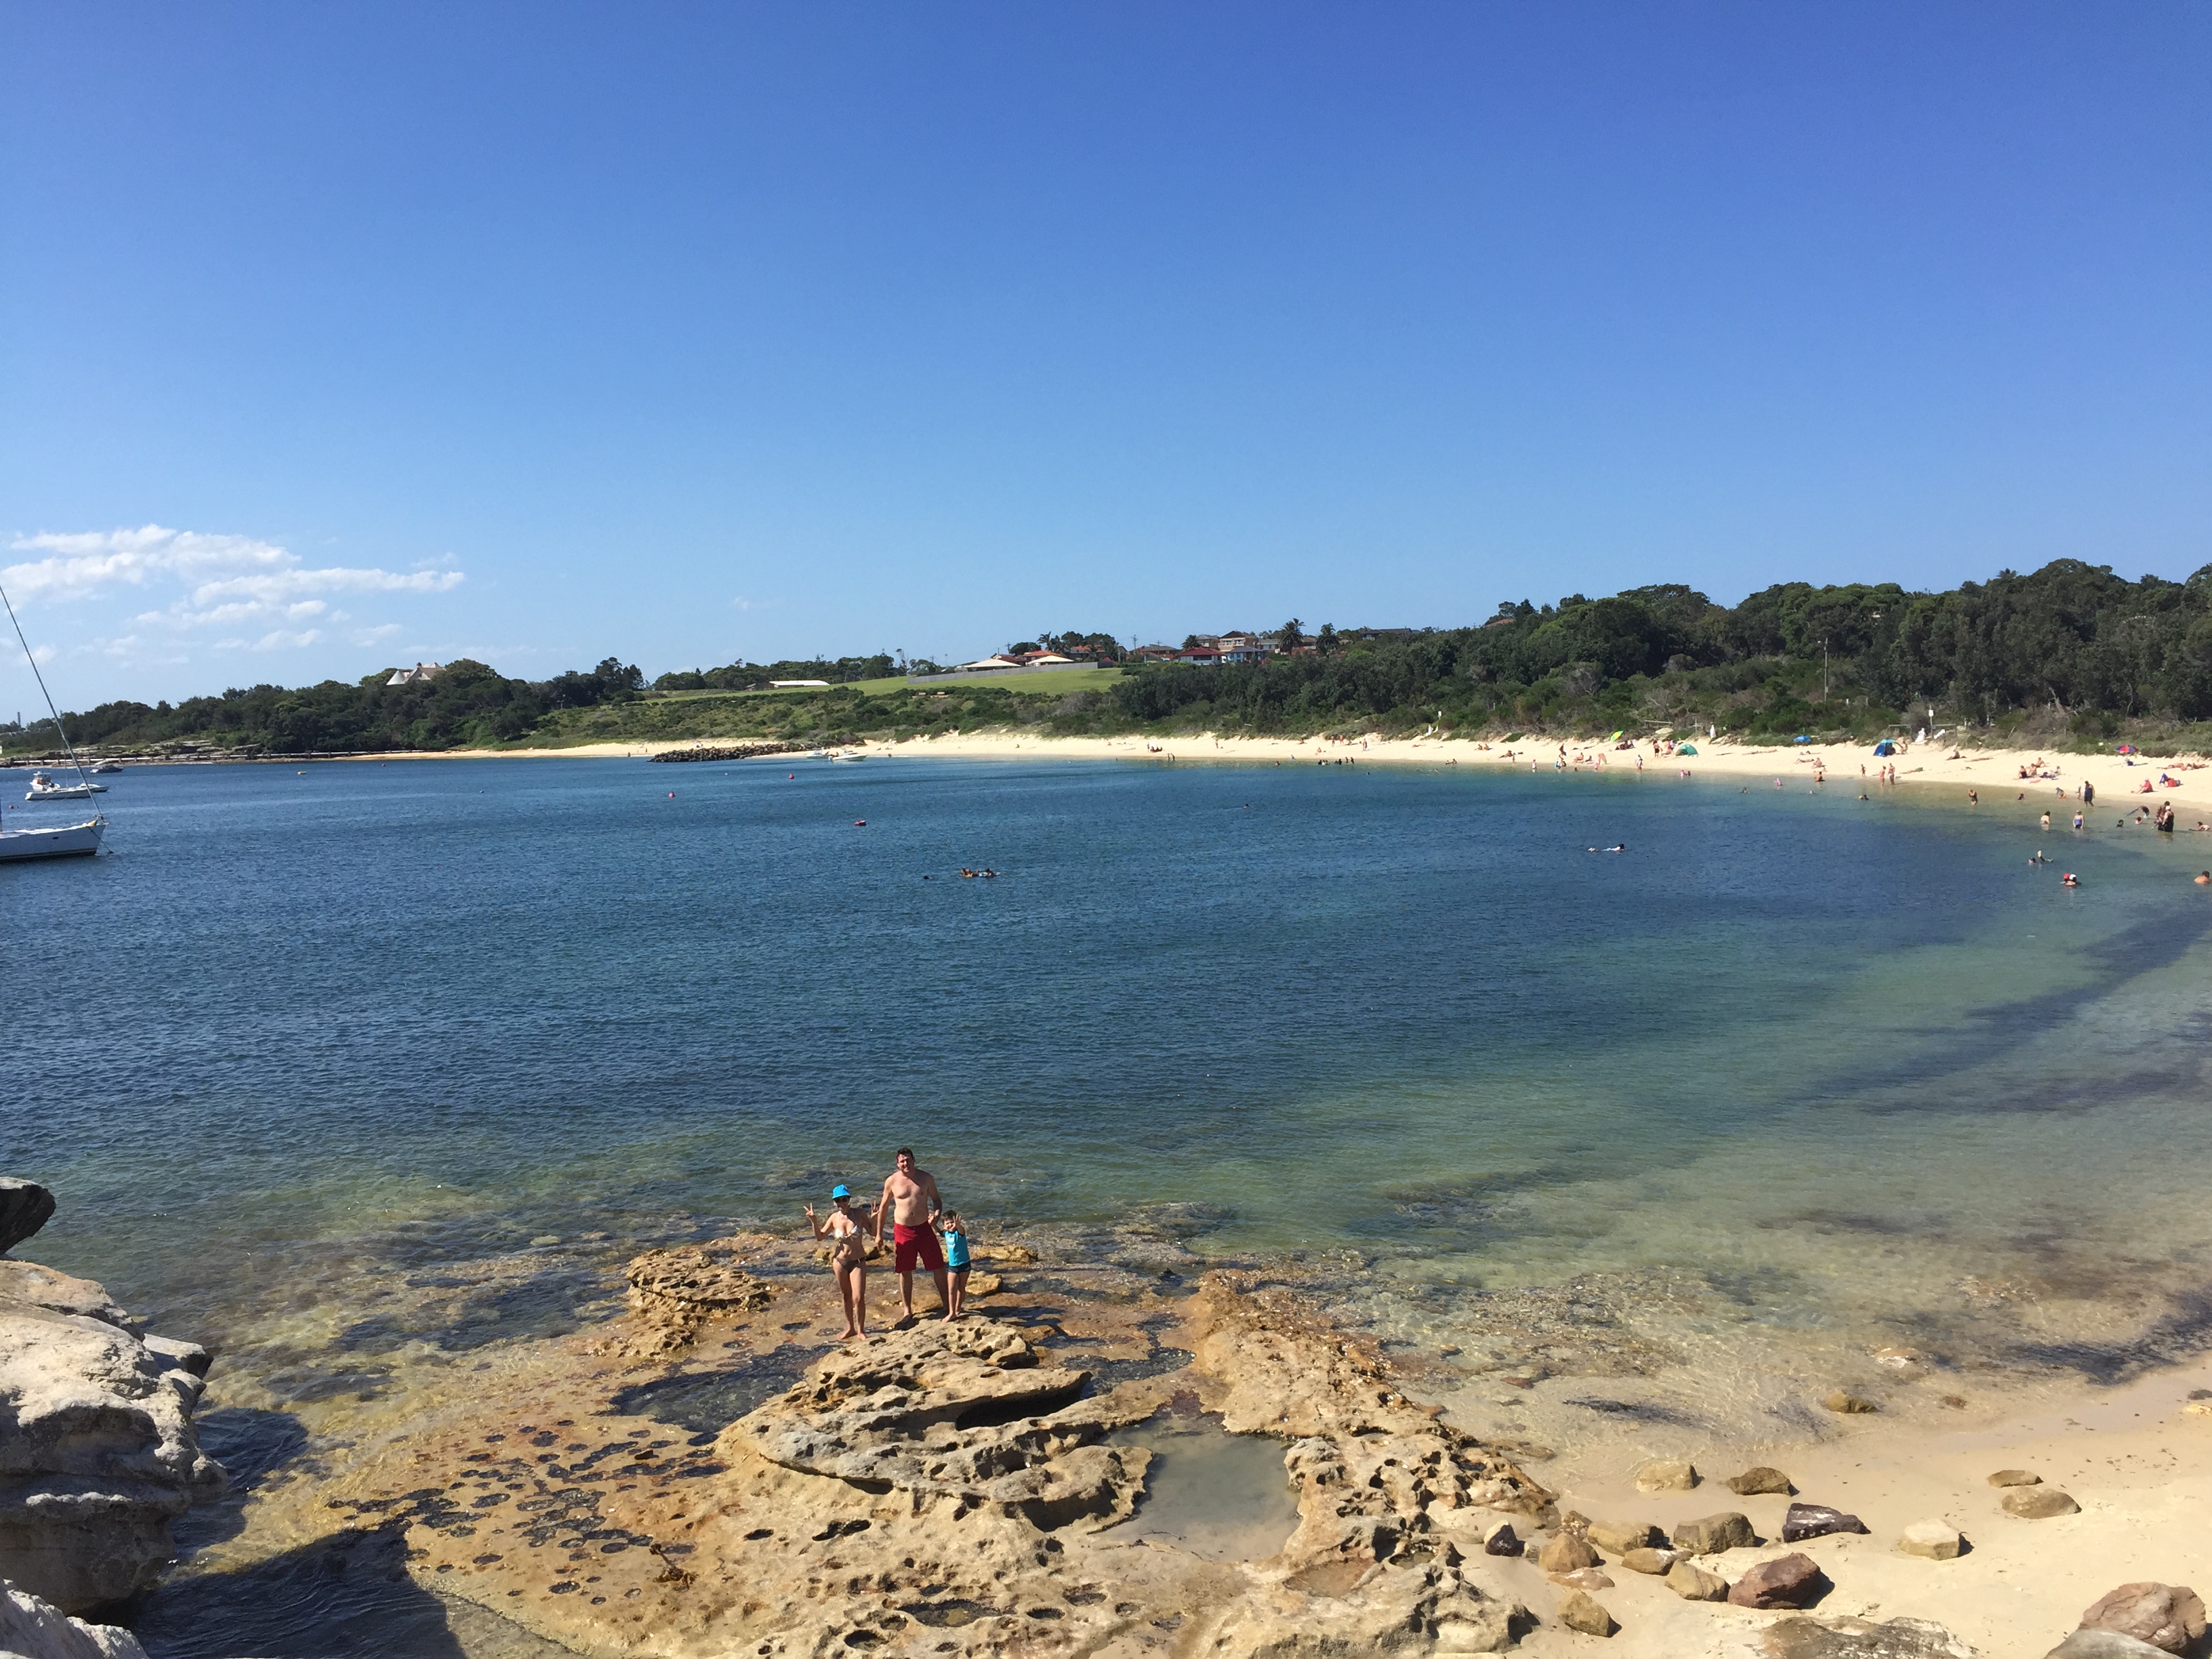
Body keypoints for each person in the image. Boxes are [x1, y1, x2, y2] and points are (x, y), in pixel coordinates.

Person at [874, 1147, 949, 1323]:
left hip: (924, 1228)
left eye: (908, 1160)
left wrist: (937, 1214)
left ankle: (947, 1304)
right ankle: (907, 1310)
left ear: (914, 1160)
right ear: (897, 1163)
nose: (905, 1163)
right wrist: (879, 1234)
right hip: (903, 1230)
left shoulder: (926, 1178)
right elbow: (883, 1208)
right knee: (905, 1270)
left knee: (938, 1266)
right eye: (902, 1161)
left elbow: (937, 1200)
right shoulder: (892, 1181)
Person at [806, 1185, 871, 1342]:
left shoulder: (860, 1214)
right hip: (840, 1262)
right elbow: (820, 1237)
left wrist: (875, 1218)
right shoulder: (834, 1218)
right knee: (846, 1295)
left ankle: (861, 1330)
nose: (841, 1203)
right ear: (834, 1202)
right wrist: (814, 1221)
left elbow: (873, 1232)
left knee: (858, 1297)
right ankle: (850, 1328)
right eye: (838, 1200)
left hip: (858, 1261)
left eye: (844, 1199)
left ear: (849, 1200)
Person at [939, 1211, 972, 1320]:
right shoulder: (946, 1233)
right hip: (953, 1266)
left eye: (952, 1222)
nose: (950, 1225)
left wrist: (958, 1225)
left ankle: (958, 1308)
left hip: (965, 1264)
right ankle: (952, 1312)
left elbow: (962, 1230)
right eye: (947, 1223)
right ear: (944, 1225)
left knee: (961, 1288)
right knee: (951, 1289)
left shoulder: (959, 1233)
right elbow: (938, 1231)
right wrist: (932, 1224)